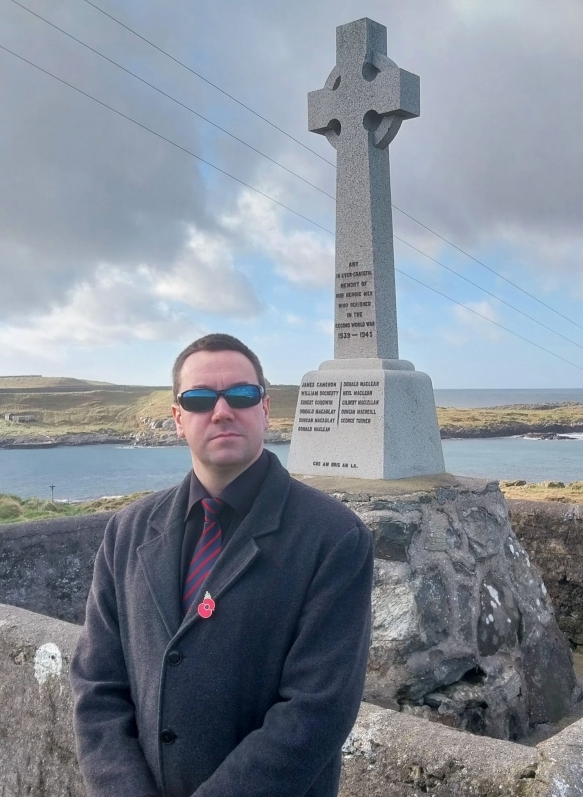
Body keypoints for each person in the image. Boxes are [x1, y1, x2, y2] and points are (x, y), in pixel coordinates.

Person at [70, 333, 374, 797]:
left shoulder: (334, 537)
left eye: (241, 394)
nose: (222, 411)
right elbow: (97, 686)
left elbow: (316, 710)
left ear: (265, 408)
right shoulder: (127, 531)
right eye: (198, 399)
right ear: (177, 419)